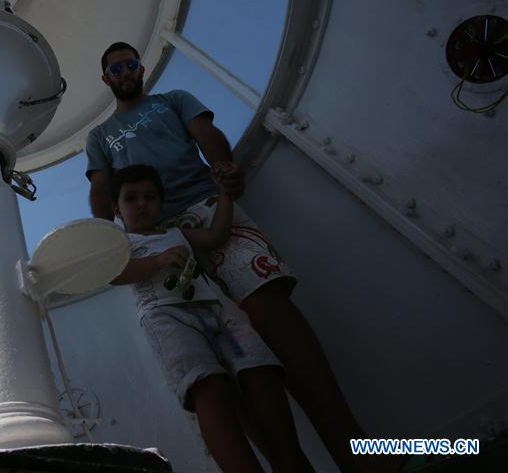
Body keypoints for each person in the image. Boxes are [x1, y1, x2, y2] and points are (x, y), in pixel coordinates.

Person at [86, 42, 383, 473]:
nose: (124, 71)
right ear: (106, 78)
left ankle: (365, 455)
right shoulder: (99, 137)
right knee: (225, 367)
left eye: (130, 64)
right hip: (158, 239)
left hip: (207, 208)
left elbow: (207, 136)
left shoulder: (173, 101)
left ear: (141, 68)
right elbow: (100, 193)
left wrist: (223, 168)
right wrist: (108, 228)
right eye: (115, 68)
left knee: (268, 312)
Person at [111, 164, 312, 473]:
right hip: (169, 319)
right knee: (208, 388)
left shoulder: (177, 233)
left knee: (259, 373)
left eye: (150, 197)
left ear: (161, 204)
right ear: (117, 208)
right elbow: (117, 274)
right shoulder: (121, 245)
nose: (141, 204)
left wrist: (224, 195)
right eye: (131, 198)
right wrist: (158, 260)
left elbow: (216, 235)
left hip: (217, 315)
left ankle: (291, 461)